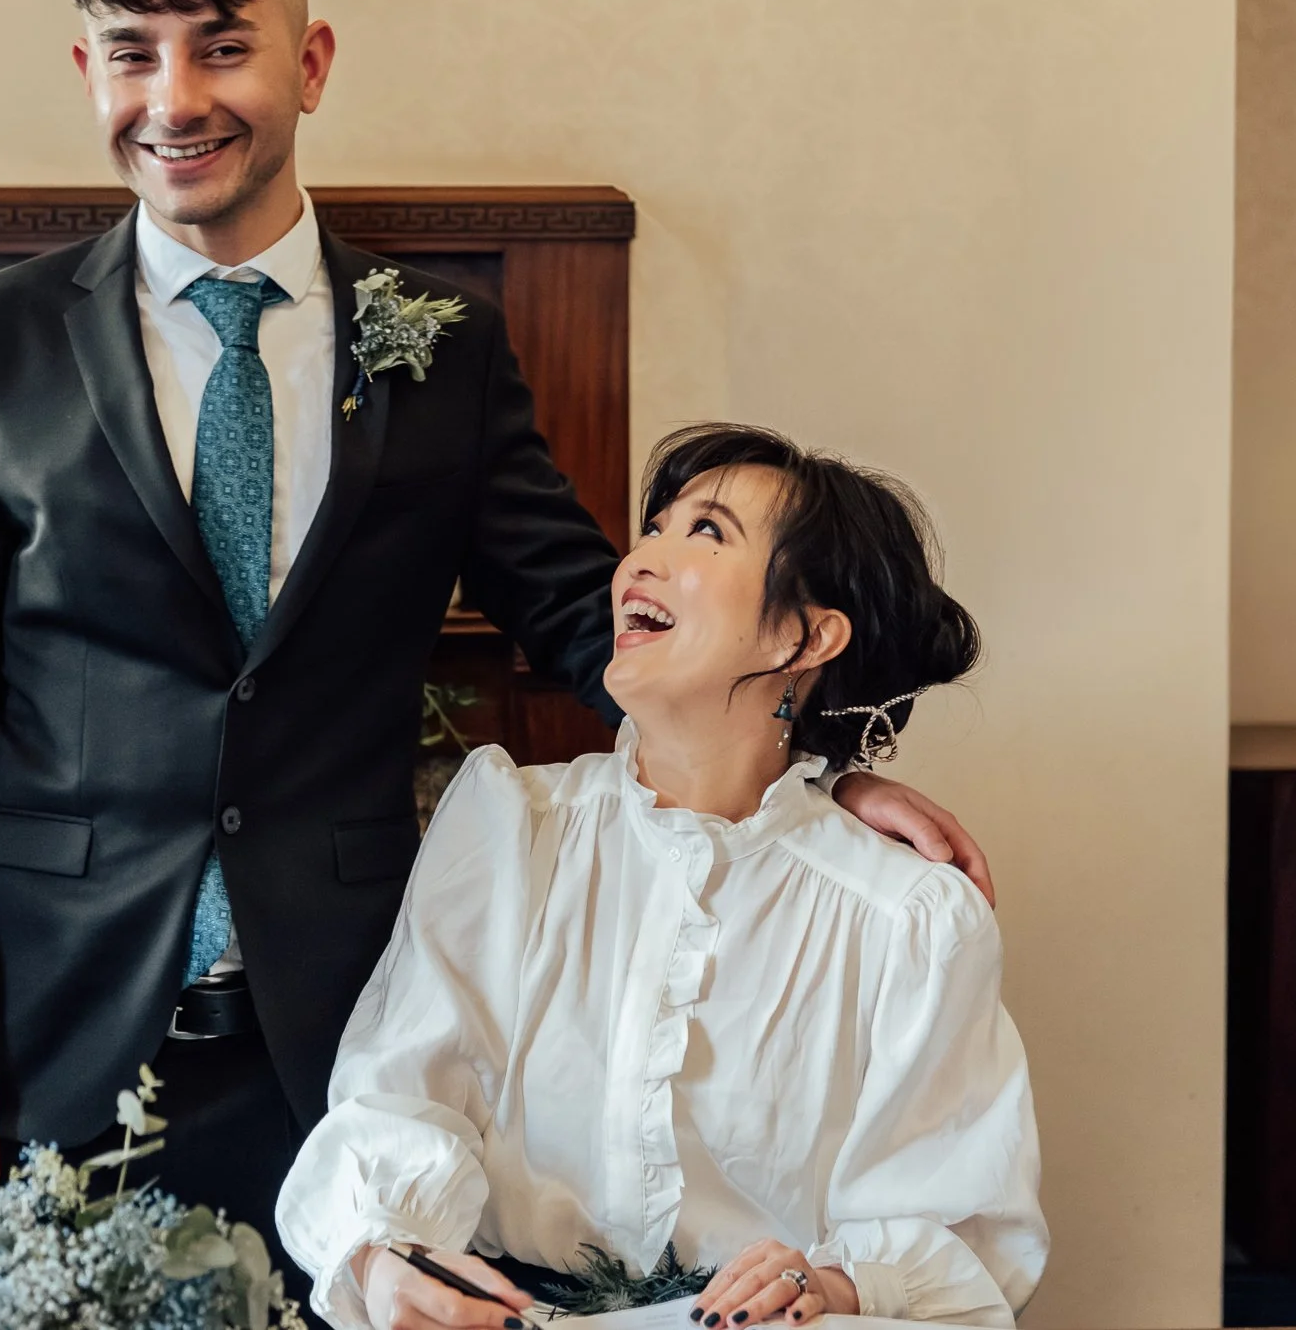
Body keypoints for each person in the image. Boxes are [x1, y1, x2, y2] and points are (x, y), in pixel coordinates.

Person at [0, 0, 995, 1266]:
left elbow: (593, 615)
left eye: (223, 45)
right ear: (87, 67)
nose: (175, 99)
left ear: (310, 61)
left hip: (345, 1042)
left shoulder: (442, 340)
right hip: (50, 1029)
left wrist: (818, 769)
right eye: (133, 54)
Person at [278, 425, 1046, 1330]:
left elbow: (956, 1226)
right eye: (653, 527)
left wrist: (829, 1285)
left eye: (707, 532)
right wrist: (384, 1260)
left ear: (806, 634)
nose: (641, 558)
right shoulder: (512, 830)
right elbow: (402, 1099)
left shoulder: (909, 917)